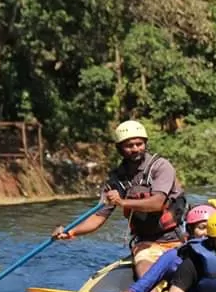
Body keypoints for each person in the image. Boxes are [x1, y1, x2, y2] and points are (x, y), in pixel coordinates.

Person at [51, 120, 188, 279]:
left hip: (176, 239)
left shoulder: (161, 167)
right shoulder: (115, 181)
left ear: (145, 143)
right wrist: (71, 231)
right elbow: (98, 217)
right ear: (119, 148)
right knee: (146, 275)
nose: (135, 149)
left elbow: (157, 203)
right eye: (129, 145)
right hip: (146, 243)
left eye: (139, 144)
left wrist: (122, 202)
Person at [88, 204, 216, 292]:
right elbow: (138, 289)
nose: (207, 233)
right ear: (190, 231)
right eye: (202, 228)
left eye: (211, 228)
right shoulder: (174, 257)